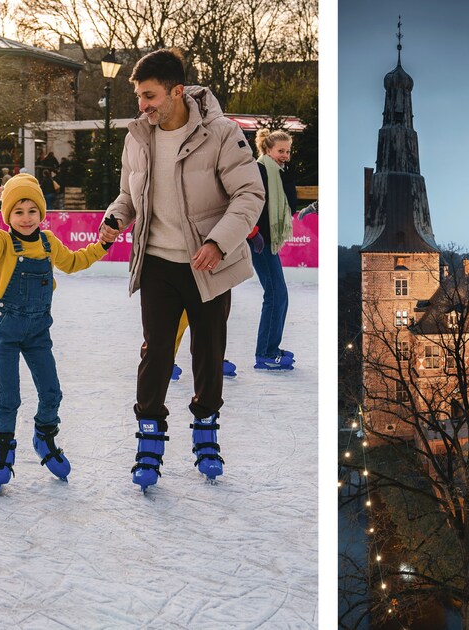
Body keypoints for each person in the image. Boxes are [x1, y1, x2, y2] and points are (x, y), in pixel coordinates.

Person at [99, 48, 263, 492]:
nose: (143, 105)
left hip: (206, 263)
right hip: (156, 263)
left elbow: (249, 195)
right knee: (156, 353)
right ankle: (149, 437)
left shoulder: (222, 134)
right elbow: (128, 197)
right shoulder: (138, 136)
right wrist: (114, 218)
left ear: (176, 92)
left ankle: (206, 428)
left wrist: (217, 242)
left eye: (149, 96)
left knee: (208, 352)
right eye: (139, 96)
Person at [0, 174, 111, 491]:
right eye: (18, 211)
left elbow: (75, 262)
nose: (26, 218)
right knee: (9, 397)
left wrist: (103, 245)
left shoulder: (49, 242)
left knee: (52, 392)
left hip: (38, 334)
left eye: (32, 211)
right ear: (8, 215)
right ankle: (2, 452)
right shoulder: (4, 243)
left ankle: (45, 436)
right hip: (8, 333)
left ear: (42, 213)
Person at [250, 128, 299, 370]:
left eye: (288, 151)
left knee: (279, 295)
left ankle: (270, 347)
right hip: (259, 240)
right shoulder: (258, 170)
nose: (285, 155)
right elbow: (247, 203)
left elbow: (292, 203)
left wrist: (287, 175)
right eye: (281, 151)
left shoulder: (278, 173)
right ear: (267, 150)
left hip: (268, 241)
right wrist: (253, 233)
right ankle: (265, 353)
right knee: (275, 294)